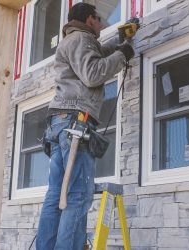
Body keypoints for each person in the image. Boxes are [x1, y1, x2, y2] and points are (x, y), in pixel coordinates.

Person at [36, 2, 135, 250]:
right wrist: (123, 55)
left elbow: (97, 53)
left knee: (55, 194)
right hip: (75, 123)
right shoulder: (82, 38)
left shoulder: (71, 40)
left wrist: (119, 40)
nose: (102, 24)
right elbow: (92, 73)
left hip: (59, 124)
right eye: (99, 19)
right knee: (78, 194)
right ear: (89, 19)